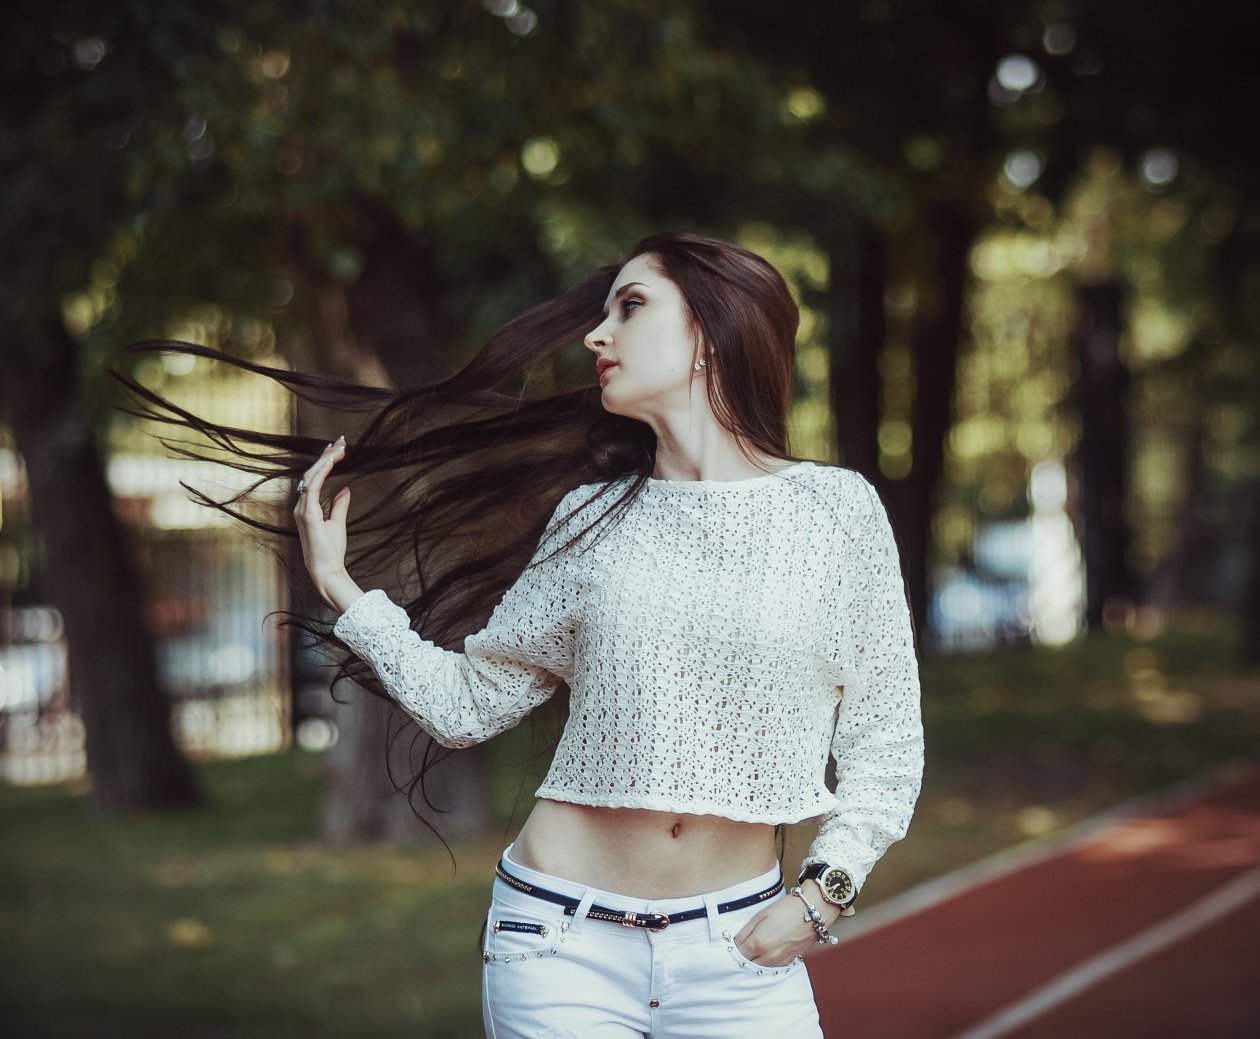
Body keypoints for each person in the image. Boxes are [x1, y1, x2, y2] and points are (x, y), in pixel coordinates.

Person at [289, 231, 925, 1038]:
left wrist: (825, 890)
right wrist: (344, 590)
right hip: (559, 944)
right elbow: (467, 706)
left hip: (740, 952)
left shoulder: (839, 514)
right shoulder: (590, 518)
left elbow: (887, 740)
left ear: (710, 333)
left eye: (630, 308)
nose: (597, 334)